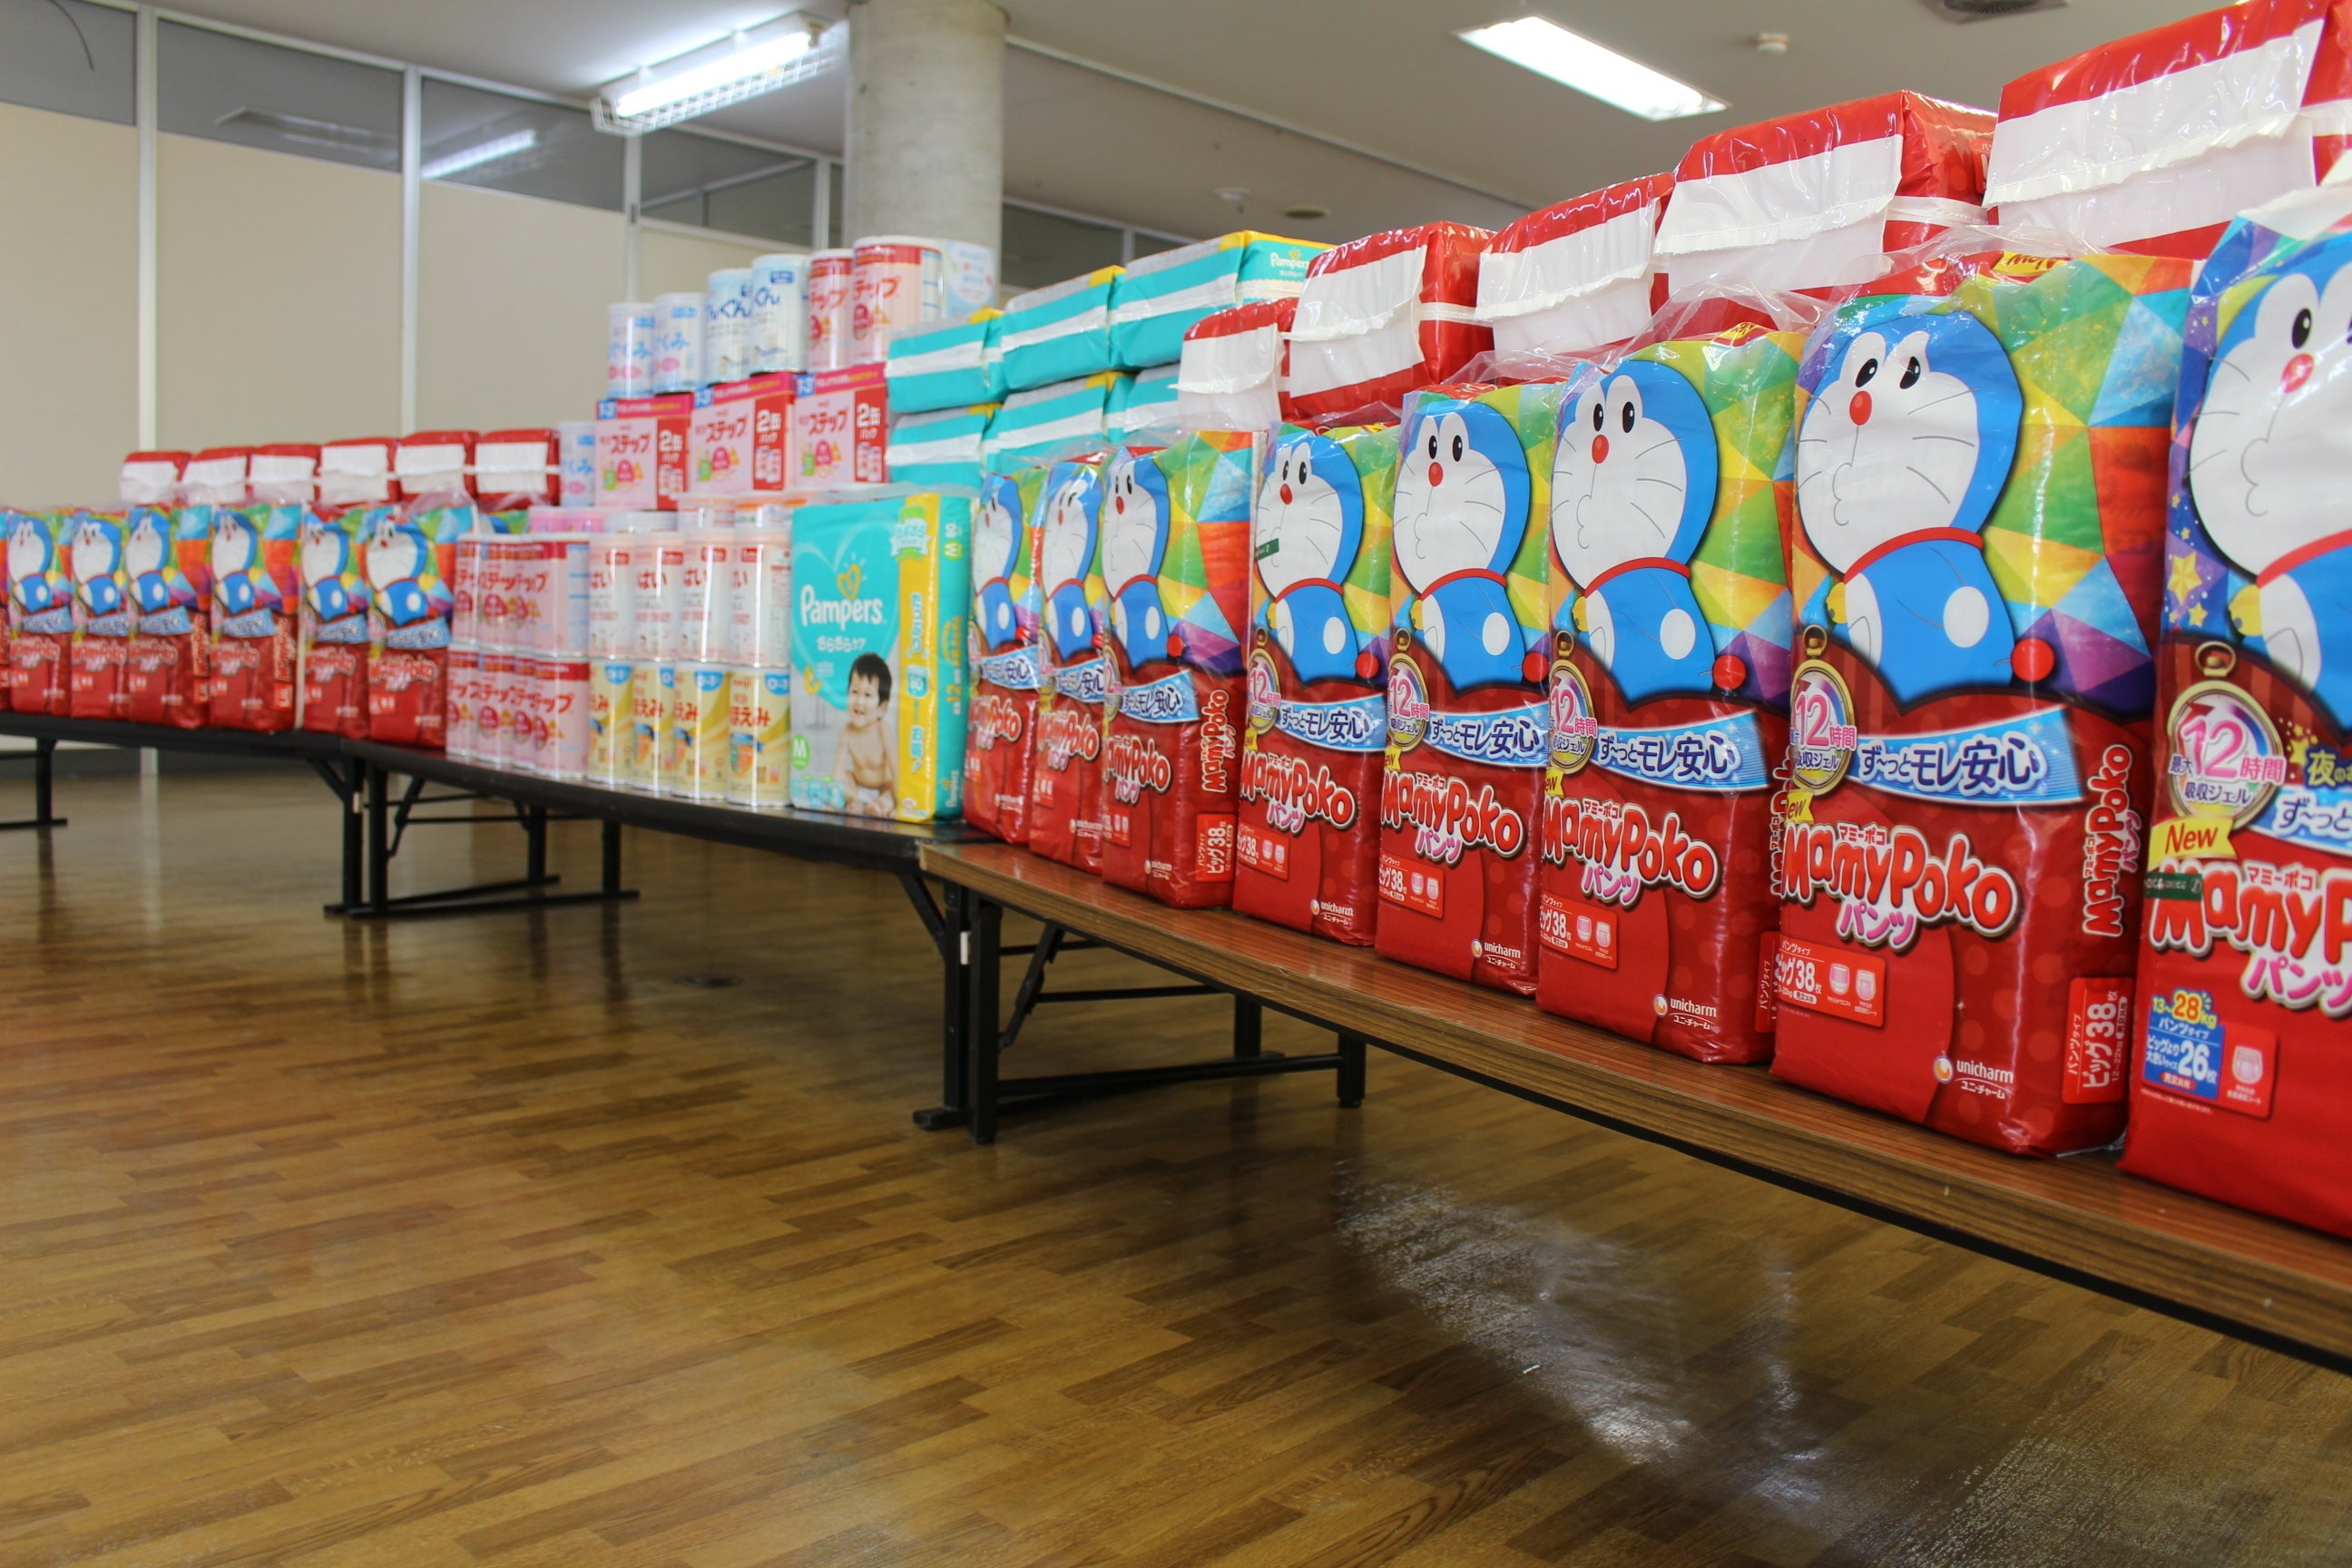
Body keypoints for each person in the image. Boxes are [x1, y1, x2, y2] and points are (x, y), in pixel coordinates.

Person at [834, 652, 897, 816]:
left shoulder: (883, 730)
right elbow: (838, 769)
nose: (859, 701)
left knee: (892, 790)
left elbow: (896, 770)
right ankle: (858, 802)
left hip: (883, 784)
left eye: (867, 695)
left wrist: (901, 804)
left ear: (881, 708)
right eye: (854, 692)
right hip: (858, 784)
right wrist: (835, 794)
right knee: (844, 777)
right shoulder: (847, 731)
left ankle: (880, 804)